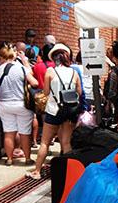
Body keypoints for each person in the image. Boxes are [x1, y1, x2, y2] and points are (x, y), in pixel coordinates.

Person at [27, 44, 82, 179]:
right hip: (70, 110)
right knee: (66, 142)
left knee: (45, 142)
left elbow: (45, 92)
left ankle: (37, 171)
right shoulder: (74, 72)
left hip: (54, 110)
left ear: (54, 59)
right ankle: (70, 172)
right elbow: (79, 92)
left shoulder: (50, 72)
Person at [0, 43, 39, 166]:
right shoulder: (21, 68)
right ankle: (27, 158)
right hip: (22, 104)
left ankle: (9, 159)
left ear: (2, 57)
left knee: (8, 132)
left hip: (4, 105)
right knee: (25, 132)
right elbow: (35, 83)